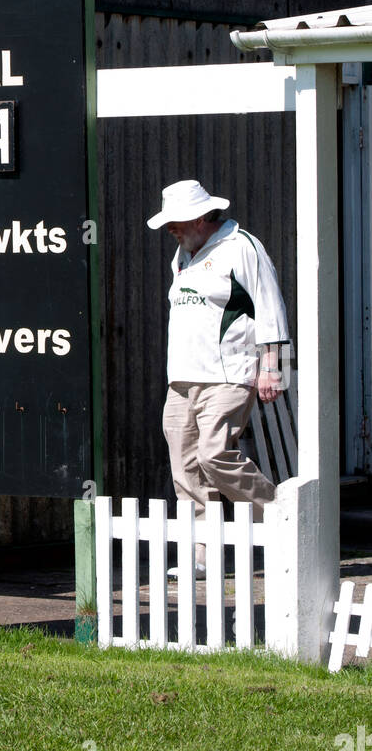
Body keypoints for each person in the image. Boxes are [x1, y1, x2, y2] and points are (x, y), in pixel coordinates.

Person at [147, 179, 290, 571]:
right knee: (185, 468)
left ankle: (281, 517)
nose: (169, 229)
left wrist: (273, 367)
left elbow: (269, 303)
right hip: (181, 379)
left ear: (200, 216)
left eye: (175, 222)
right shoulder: (182, 254)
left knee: (214, 456)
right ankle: (202, 556)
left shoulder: (242, 246)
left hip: (229, 374)